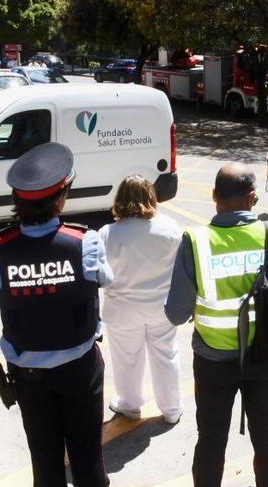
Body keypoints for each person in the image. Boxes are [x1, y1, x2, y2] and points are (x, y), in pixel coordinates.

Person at [165, 163, 268, 487]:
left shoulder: (195, 241)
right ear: (253, 198)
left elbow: (174, 314)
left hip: (213, 359)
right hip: (264, 355)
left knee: (211, 439)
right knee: (266, 433)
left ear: (213, 196)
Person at [0, 143, 113, 486]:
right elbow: (105, 279)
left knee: (44, 460)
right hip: (80, 371)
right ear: (60, 199)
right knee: (88, 459)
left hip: (29, 376)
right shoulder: (85, 241)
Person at [98, 176, 183, 425]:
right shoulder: (170, 228)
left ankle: (130, 404)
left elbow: (101, 275)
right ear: (151, 197)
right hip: (161, 306)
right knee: (166, 355)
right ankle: (171, 409)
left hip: (122, 308)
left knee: (127, 358)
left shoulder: (108, 233)